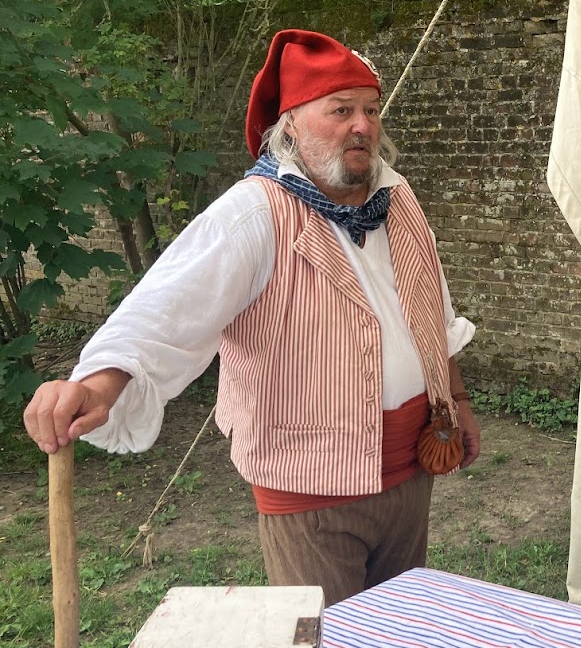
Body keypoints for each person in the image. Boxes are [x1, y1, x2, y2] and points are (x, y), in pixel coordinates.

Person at [23, 29, 481, 606]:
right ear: (290, 126)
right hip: (310, 490)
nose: (363, 126)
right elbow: (166, 306)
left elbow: (432, 311)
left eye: (370, 109)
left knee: (395, 632)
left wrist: (456, 401)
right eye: (340, 110)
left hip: (413, 466)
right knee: (324, 644)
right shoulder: (254, 213)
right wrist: (98, 384)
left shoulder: (398, 199)